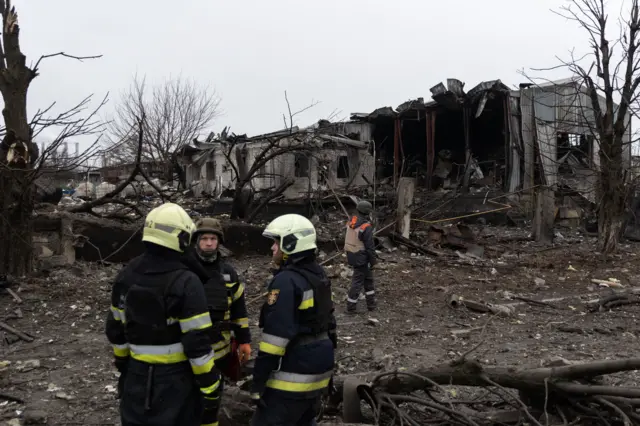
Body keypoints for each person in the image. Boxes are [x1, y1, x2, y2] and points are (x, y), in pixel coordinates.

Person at [105, 202, 222, 426]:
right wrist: (210, 386)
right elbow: (197, 342)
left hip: (136, 376)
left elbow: (115, 330)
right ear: (182, 238)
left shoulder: (127, 275)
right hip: (176, 380)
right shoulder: (187, 281)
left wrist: (124, 365)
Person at [251, 214, 337, 426]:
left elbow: (275, 339)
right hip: (320, 367)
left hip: (294, 373)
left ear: (290, 244)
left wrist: (258, 381)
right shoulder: (319, 276)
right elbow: (330, 324)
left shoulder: (286, 281)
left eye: (276, 242)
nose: (272, 248)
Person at [181, 217, 252, 426]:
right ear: (196, 241)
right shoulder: (185, 269)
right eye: (205, 238)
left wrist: (244, 340)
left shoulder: (228, 272)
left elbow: (239, 309)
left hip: (220, 351)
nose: (209, 243)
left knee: (214, 398)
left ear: (219, 242)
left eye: (213, 239)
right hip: (190, 351)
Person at [344, 200, 377, 313]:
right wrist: (373, 261)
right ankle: (351, 307)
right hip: (362, 257)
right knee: (357, 282)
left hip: (352, 255)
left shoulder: (351, 223)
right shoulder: (365, 227)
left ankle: (371, 305)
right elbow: (370, 247)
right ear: (367, 213)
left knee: (368, 279)